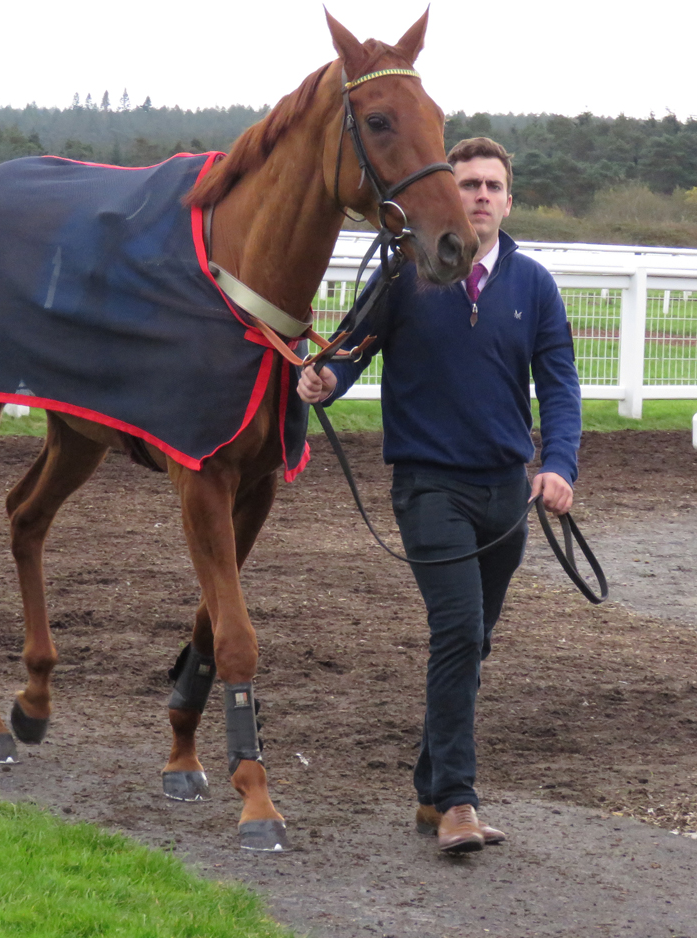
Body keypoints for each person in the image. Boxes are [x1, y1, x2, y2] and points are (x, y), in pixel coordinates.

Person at [299, 137, 581, 853]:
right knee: (457, 631)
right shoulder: (404, 274)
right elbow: (350, 351)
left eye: (493, 185)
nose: (481, 195)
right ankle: (458, 802)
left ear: (509, 201)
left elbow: (559, 384)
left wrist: (561, 466)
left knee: (472, 642)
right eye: (469, 185)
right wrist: (326, 382)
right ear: (449, 197)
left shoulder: (535, 287)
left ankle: (429, 788)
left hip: (505, 497)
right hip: (430, 489)